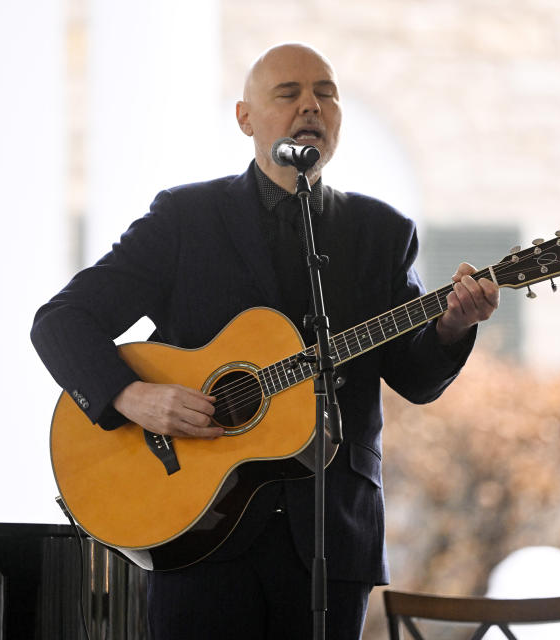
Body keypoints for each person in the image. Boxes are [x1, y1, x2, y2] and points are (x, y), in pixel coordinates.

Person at [31, 42, 499, 640]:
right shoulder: (184, 219)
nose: (312, 106)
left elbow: (415, 377)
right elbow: (62, 321)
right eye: (289, 93)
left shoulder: (380, 233)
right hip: (194, 526)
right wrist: (131, 396)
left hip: (330, 534)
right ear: (245, 118)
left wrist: (456, 323)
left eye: (326, 93)